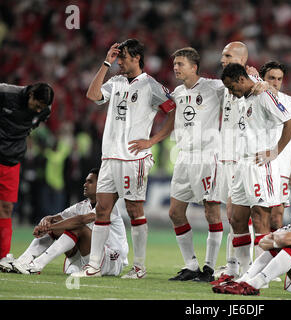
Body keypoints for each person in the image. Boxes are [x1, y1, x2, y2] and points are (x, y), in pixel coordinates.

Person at [75, 39, 176, 279]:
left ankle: (139, 268)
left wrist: (152, 141)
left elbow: (174, 111)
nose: (120, 62)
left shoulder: (151, 86)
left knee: (134, 211)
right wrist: (105, 63)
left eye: (123, 57)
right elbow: (92, 95)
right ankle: (94, 266)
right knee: (102, 210)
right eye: (118, 58)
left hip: (134, 159)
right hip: (109, 157)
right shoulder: (116, 81)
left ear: (137, 58)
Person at [219, 63, 291, 282]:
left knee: (261, 217)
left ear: (241, 80)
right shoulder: (246, 97)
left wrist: (275, 152)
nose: (230, 93)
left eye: (231, 87)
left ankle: (261, 277)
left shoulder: (265, 96)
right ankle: (246, 272)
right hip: (242, 164)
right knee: (237, 218)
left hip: (260, 166)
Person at [213, 42, 271, 282]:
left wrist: (265, 84)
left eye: (227, 55)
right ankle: (236, 267)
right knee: (234, 216)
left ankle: (249, 269)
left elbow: (271, 95)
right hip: (226, 157)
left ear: (242, 58)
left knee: (248, 214)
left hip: (244, 157)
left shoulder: (253, 82)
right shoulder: (225, 83)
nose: (222, 59)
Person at [0, 168, 128, 277]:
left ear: (100, 185)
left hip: (112, 260)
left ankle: (36, 265)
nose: (85, 184)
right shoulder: (83, 205)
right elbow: (56, 218)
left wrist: (51, 226)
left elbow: (81, 220)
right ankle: (24, 260)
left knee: (77, 227)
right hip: (89, 256)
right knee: (58, 225)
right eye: (85, 181)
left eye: (90, 182)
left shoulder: (109, 206)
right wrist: (46, 221)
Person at [167, 47, 224, 282]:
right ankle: (191, 265)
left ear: (194, 67)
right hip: (183, 156)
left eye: (180, 64)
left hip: (207, 155)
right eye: (175, 64)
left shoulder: (214, 87)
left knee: (211, 211)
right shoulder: (177, 93)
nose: (176, 68)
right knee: (175, 212)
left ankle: (209, 268)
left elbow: (240, 92)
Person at [0, 82, 53, 264]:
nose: (39, 110)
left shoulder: (45, 111)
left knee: (6, 208)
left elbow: (32, 125)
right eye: (37, 105)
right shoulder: (5, 93)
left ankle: (3, 256)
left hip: (12, 162)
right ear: (30, 95)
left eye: (42, 108)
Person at [259, 61, 291, 231]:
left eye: (279, 79)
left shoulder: (290, 102)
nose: (275, 82)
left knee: (277, 216)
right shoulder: (254, 99)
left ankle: (275, 257)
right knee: (258, 214)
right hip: (260, 163)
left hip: (282, 166)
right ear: (263, 78)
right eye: (271, 78)